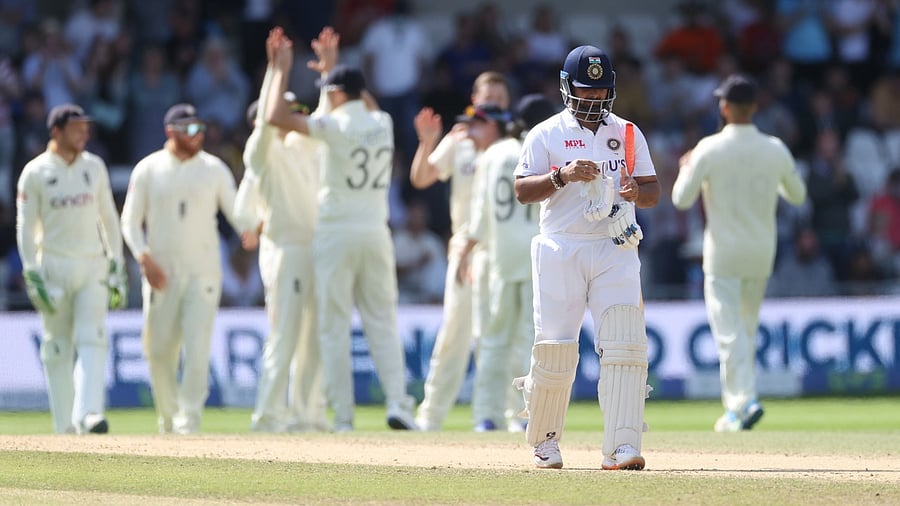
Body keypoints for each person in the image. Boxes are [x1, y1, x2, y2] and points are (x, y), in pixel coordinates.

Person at [513, 45, 660, 470]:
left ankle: (623, 447)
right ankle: (545, 441)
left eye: (600, 92)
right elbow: (523, 191)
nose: (593, 100)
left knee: (625, 347)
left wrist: (635, 192)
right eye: (585, 92)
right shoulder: (545, 133)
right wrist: (563, 175)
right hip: (562, 245)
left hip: (615, 245)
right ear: (566, 88)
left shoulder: (628, 132)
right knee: (556, 347)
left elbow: (651, 190)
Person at [264, 27, 417, 431]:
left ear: (333, 94)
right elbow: (363, 98)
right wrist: (335, 71)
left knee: (333, 325)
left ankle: (344, 418)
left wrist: (280, 69)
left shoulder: (330, 125)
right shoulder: (382, 121)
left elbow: (274, 117)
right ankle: (400, 404)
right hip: (375, 231)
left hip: (335, 232)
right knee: (382, 320)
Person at [672, 74, 807, 433]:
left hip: (723, 254)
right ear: (756, 107)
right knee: (744, 330)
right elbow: (797, 195)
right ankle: (742, 399)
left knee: (729, 333)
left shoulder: (709, 148)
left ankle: (740, 405)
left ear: (724, 107)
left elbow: (680, 199)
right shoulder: (774, 148)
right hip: (762, 252)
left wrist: (688, 167)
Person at [120, 103, 249, 434]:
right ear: (171, 132)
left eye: (200, 128)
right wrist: (143, 257)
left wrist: (252, 228)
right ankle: (168, 416)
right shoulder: (149, 169)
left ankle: (189, 417)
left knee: (197, 344)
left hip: (204, 271)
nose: (198, 135)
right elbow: (130, 221)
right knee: (159, 350)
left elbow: (236, 212)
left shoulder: (214, 168)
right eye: (190, 129)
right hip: (162, 273)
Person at [233, 27, 338, 433]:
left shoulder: (309, 145)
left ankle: (308, 414)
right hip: (286, 250)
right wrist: (277, 70)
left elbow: (329, 121)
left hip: (319, 248)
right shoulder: (264, 152)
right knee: (285, 334)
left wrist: (329, 70)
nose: (294, 116)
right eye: (286, 108)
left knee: (315, 337)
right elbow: (263, 123)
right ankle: (269, 414)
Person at [16, 103, 127, 434]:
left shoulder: (94, 167)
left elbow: (108, 217)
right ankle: (64, 425)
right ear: (56, 131)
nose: (84, 133)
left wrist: (116, 262)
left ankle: (89, 413)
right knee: (57, 345)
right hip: (53, 265)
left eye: (86, 127)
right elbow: (25, 226)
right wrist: (31, 271)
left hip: (91, 263)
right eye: (76, 127)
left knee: (93, 337)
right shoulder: (35, 172)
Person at [409, 70, 511, 431]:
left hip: (504, 251)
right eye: (488, 98)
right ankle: (430, 416)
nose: (493, 104)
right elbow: (421, 178)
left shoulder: (515, 143)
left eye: (499, 99)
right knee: (454, 333)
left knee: (498, 337)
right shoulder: (460, 139)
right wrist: (427, 142)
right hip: (465, 247)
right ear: (474, 97)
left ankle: (503, 415)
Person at [458, 96, 557, 432]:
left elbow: (480, 213)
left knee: (494, 340)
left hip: (500, 256)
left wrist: (466, 250)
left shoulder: (493, 154)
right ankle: (525, 415)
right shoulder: (541, 149)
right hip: (534, 254)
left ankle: (486, 416)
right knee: (531, 339)